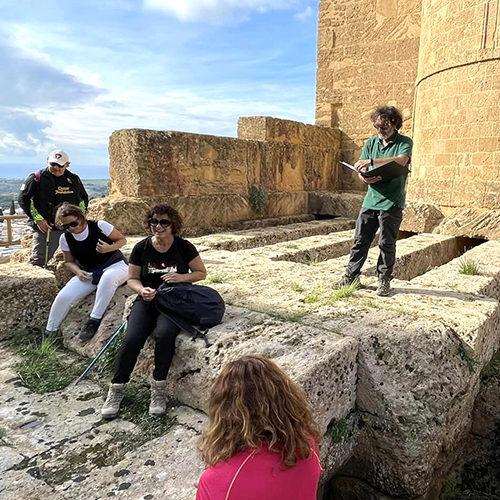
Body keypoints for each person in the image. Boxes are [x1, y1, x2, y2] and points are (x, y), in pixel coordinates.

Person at [101, 204, 207, 419]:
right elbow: (132, 278)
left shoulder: (183, 247)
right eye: (154, 222)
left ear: (173, 225)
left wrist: (180, 277)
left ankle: (158, 390)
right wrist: (142, 290)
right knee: (131, 339)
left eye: (164, 222)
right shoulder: (142, 248)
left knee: (165, 335)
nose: (158, 226)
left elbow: (201, 273)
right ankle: (116, 389)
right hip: (147, 300)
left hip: (173, 301)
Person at [196, 355, 322, 500]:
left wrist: (210, 487)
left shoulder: (218, 481)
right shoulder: (307, 442)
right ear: (286, 397)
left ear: (224, 413)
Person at [336, 105, 413, 296]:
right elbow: (361, 170)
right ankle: (351, 276)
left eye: (384, 126)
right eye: (376, 126)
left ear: (394, 124)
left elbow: (401, 161)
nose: (380, 130)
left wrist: (372, 162)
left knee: (387, 243)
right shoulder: (371, 142)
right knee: (360, 240)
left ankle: (384, 280)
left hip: (391, 201)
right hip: (371, 200)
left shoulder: (404, 142)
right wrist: (365, 177)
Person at [45, 203, 128, 341]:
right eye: (65, 226)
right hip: (89, 272)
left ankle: (94, 319)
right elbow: (69, 261)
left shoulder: (100, 226)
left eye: (73, 223)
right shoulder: (65, 238)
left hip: (115, 265)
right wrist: (77, 271)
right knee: (63, 297)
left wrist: (109, 248)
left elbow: (122, 240)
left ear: (81, 217)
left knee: (107, 279)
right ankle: (49, 333)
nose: (71, 228)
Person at [18, 149, 88, 267]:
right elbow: (23, 199)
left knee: (76, 258)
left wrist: (80, 218)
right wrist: (38, 219)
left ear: (67, 165)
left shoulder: (73, 179)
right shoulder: (36, 178)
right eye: (53, 164)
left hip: (71, 228)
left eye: (60, 165)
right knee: (40, 261)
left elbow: (82, 199)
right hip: (47, 228)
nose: (56, 167)